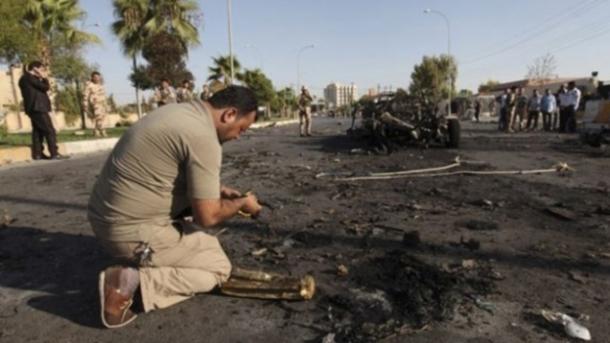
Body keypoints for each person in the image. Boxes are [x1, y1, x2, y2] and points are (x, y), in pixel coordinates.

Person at [88, 86, 262, 329]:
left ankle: (139, 267)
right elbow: (208, 216)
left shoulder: (181, 112)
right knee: (218, 269)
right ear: (229, 114)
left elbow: (172, 168)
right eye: (242, 129)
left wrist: (218, 189)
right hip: (129, 232)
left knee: (209, 245)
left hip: (105, 215)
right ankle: (131, 284)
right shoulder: (204, 137)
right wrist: (242, 203)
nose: (238, 136)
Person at [18, 61, 62, 160]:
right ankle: (54, 153)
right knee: (49, 130)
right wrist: (44, 77)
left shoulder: (27, 78)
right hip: (38, 107)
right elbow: (45, 87)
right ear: (35, 68)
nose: (42, 71)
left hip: (35, 107)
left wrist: (40, 77)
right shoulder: (28, 77)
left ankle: (38, 154)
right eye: (41, 69)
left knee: (38, 132)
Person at [83, 71, 109, 137]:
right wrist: (85, 104)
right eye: (95, 77)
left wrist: (106, 105)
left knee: (101, 118)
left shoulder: (101, 85)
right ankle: (102, 131)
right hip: (95, 104)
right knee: (98, 117)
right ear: (92, 78)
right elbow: (85, 95)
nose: (97, 78)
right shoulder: (89, 85)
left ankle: (97, 131)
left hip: (102, 104)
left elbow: (104, 96)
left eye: (98, 77)